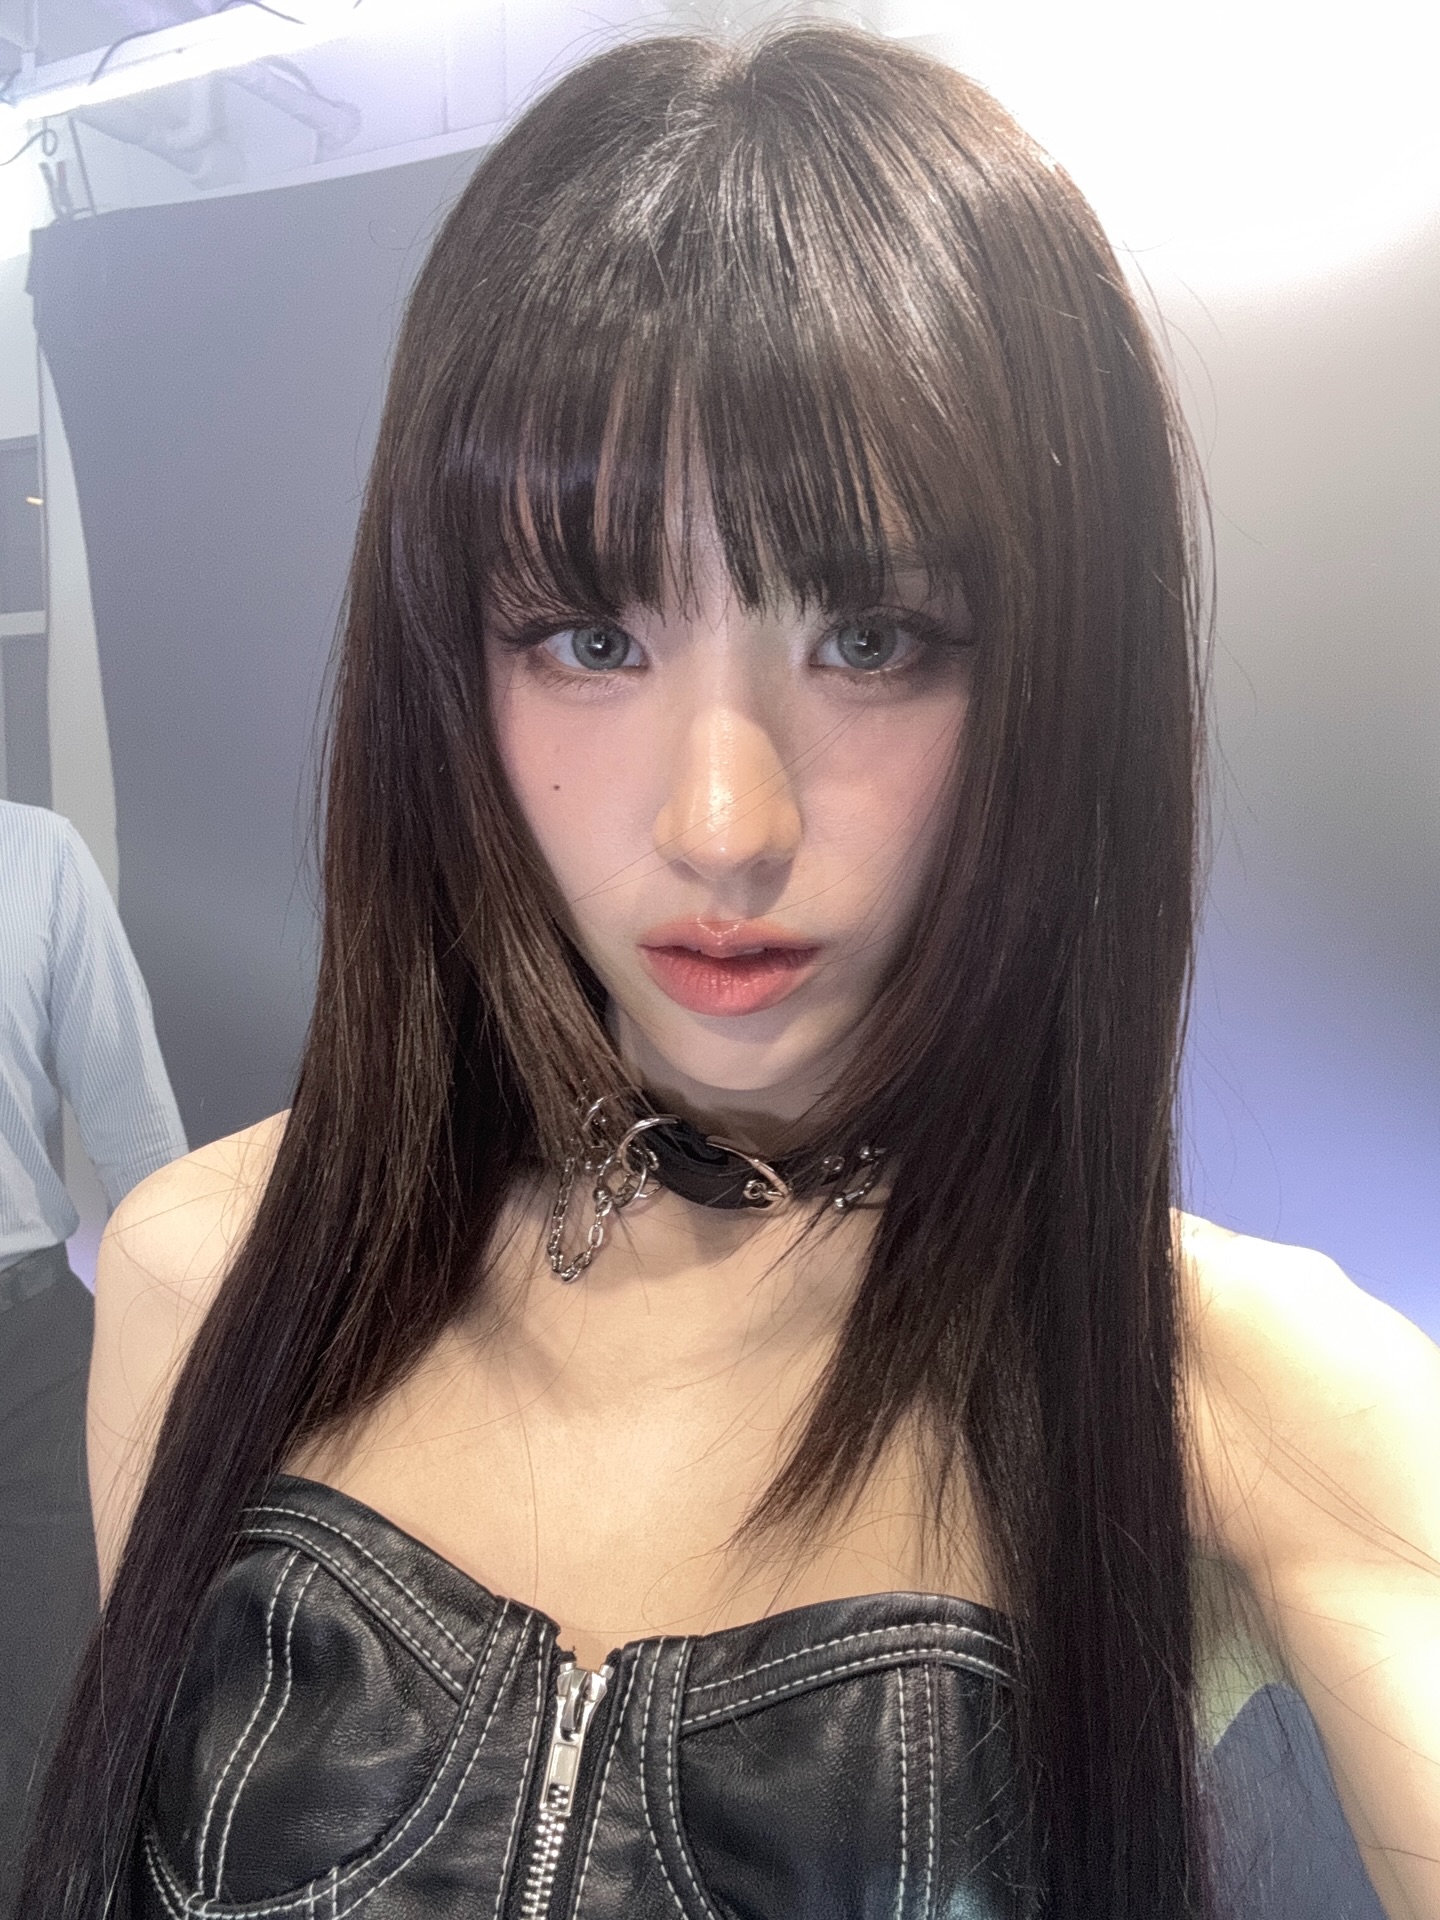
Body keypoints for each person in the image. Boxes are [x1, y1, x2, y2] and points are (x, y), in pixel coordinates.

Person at [19, 25, 1440, 1920]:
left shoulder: (1231, 1390)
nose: (719, 824)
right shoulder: (215, 1277)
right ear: (451, 664)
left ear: (1057, 676)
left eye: (874, 637)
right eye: (589, 637)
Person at [0, 801, 186, 1916]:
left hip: (24, 1355)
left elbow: (136, 1131)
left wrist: (195, 1357)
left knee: (44, 1735)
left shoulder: (34, 857)